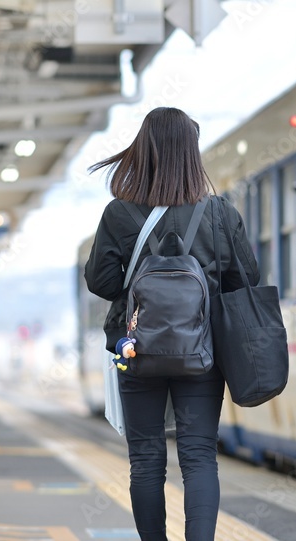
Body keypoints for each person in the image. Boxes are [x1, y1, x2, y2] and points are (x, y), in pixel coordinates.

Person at [84, 107, 259, 541]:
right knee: (199, 455)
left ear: (143, 152)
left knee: (145, 458)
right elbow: (247, 281)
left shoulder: (119, 213)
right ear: (191, 154)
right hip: (203, 354)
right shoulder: (220, 212)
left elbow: (101, 282)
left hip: (137, 350)